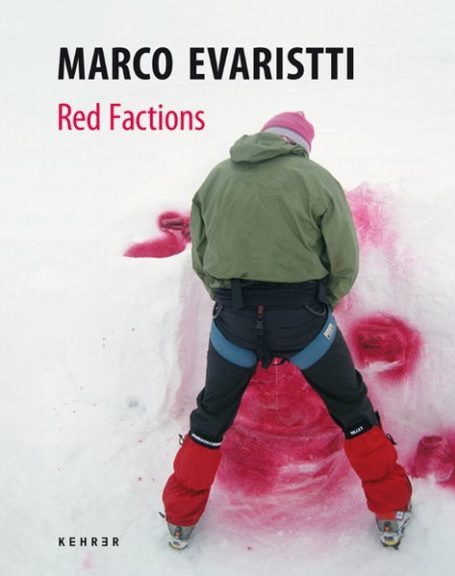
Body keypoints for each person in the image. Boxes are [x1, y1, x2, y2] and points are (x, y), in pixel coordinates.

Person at [161, 112, 412, 549]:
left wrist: (226, 298)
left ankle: (180, 518)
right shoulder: (316, 179)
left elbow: (201, 256)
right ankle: (391, 511)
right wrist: (322, 303)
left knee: (211, 416)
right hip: (304, 322)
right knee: (352, 408)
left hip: (234, 321)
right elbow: (344, 259)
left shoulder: (217, 178)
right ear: (301, 145)